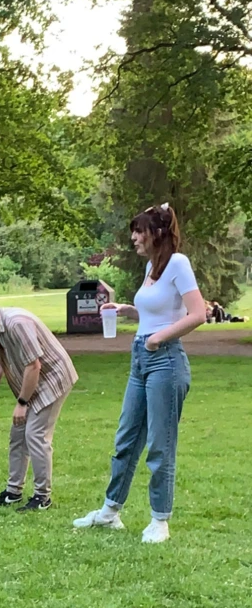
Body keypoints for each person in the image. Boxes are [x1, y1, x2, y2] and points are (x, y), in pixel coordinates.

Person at [73, 203, 205, 543]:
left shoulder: (178, 263)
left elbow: (198, 313)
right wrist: (127, 309)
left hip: (166, 360)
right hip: (141, 359)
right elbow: (155, 312)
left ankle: (160, 520)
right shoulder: (152, 266)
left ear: (157, 233)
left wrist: (159, 338)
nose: (133, 237)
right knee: (126, 438)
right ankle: (109, 512)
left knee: (160, 445)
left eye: (138, 230)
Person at [0, 300, 78, 511]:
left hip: (53, 378)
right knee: (18, 435)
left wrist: (22, 403)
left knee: (36, 435)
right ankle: (13, 492)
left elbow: (34, 365)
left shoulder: (17, 324)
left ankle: (42, 497)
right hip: (34, 380)